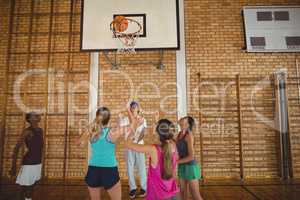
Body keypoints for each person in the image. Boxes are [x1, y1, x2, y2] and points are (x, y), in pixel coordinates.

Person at [125, 118, 180, 200]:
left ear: (158, 133)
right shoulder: (174, 145)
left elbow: (128, 144)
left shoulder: (152, 149)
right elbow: (165, 134)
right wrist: (157, 122)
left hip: (158, 194)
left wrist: (135, 126)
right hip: (172, 191)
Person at [77, 107, 124, 200]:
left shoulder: (92, 132)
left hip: (93, 169)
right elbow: (126, 129)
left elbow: (79, 143)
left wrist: (88, 129)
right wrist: (120, 119)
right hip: (109, 170)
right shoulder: (112, 132)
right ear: (108, 119)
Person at [10, 112, 44, 200]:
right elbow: (16, 148)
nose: (38, 116)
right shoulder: (27, 131)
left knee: (31, 186)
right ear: (30, 119)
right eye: (35, 115)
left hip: (37, 162)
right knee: (27, 188)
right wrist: (13, 166)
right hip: (29, 163)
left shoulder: (40, 130)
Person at [176, 116, 203, 200]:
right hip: (182, 166)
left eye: (184, 119)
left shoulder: (189, 136)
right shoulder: (180, 134)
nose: (181, 119)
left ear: (187, 125)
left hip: (191, 166)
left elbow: (191, 157)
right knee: (183, 192)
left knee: (195, 194)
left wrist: (176, 162)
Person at [125, 101, 147, 199]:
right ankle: (132, 188)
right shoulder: (124, 119)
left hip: (139, 146)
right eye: (132, 107)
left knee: (141, 167)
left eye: (135, 106)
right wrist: (131, 140)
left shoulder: (143, 119)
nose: (134, 108)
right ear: (130, 108)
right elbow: (125, 132)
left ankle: (144, 187)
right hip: (129, 146)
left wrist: (136, 140)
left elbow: (143, 133)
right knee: (130, 167)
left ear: (138, 108)